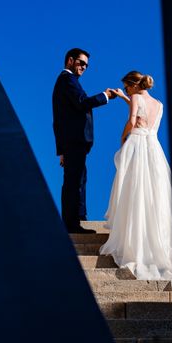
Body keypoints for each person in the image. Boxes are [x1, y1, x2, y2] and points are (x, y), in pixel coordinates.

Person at [99, 71, 172, 286]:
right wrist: (126, 98)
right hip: (153, 148)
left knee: (132, 189)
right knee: (152, 192)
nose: (126, 91)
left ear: (133, 85)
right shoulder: (159, 104)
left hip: (137, 145)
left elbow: (133, 120)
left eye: (126, 88)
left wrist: (123, 137)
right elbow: (143, 111)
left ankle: (133, 240)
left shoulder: (135, 98)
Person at [52, 48, 117, 234]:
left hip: (72, 144)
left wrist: (61, 151)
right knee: (73, 181)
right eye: (81, 63)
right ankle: (72, 224)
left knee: (80, 178)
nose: (84, 67)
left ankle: (79, 217)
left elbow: (58, 119)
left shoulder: (68, 81)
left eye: (86, 66)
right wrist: (105, 96)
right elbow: (82, 103)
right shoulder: (67, 79)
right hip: (74, 141)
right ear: (70, 60)